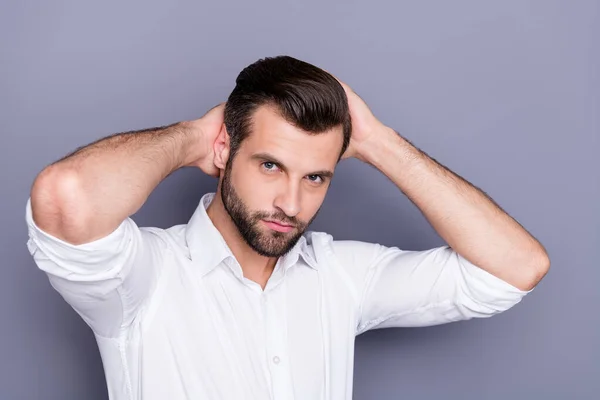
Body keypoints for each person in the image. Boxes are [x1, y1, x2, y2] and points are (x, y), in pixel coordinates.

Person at [25, 55, 549, 400]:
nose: (291, 202)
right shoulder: (143, 279)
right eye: (270, 165)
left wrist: (377, 142)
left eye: (316, 176)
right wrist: (191, 138)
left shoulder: (340, 276)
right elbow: (67, 198)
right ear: (226, 151)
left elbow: (516, 267)